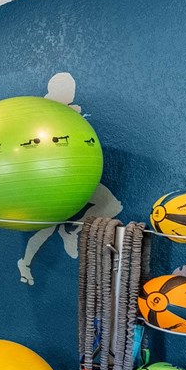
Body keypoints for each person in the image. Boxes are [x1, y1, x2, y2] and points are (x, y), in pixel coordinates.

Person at [16, 72, 123, 285]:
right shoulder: (41, 111)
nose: (71, 93)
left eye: (71, 89)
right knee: (47, 226)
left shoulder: (70, 111)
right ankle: (25, 262)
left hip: (73, 176)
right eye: (66, 88)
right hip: (44, 179)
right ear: (54, 89)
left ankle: (72, 231)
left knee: (112, 205)